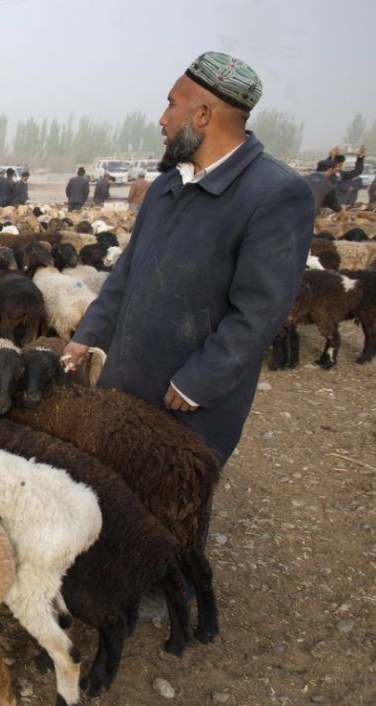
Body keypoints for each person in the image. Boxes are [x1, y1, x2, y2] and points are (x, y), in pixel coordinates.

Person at [63, 51, 314, 475]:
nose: (162, 119)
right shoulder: (166, 186)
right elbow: (127, 272)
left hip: (187, 398)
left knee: (172, 513)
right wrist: (85, 335)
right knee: (113, 499)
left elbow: (260, 310)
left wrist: (200, 380)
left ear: (201, 115)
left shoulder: (275, 194)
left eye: (171, 104)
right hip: (126, 382)